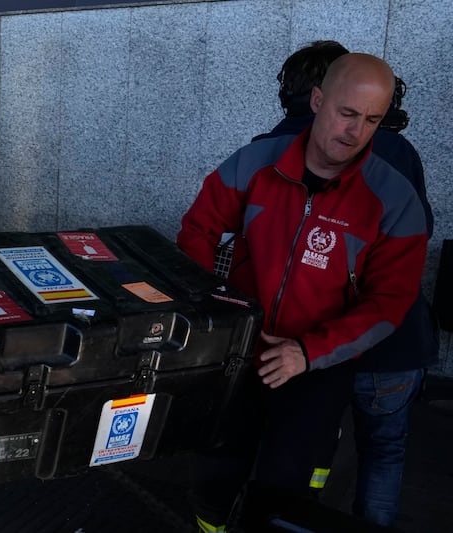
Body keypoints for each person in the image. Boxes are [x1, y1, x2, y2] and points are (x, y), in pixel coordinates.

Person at [177, 53, 428, 532]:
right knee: (215, 471)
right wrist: (222, 318)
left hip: (317, 368)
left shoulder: (394, 200)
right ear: (317, 101)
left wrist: (308, 352)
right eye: (347, 113)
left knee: (287, 490)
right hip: (240, 355)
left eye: (372, 120)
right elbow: (197, 231)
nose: (355, 132)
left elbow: (389, 302)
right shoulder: (255, 162)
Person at [253, 41, 438, 528]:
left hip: (304, 347)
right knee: (384, 451)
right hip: (390, 347)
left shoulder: (264, 152)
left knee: (303, 450)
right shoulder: (397, 151)